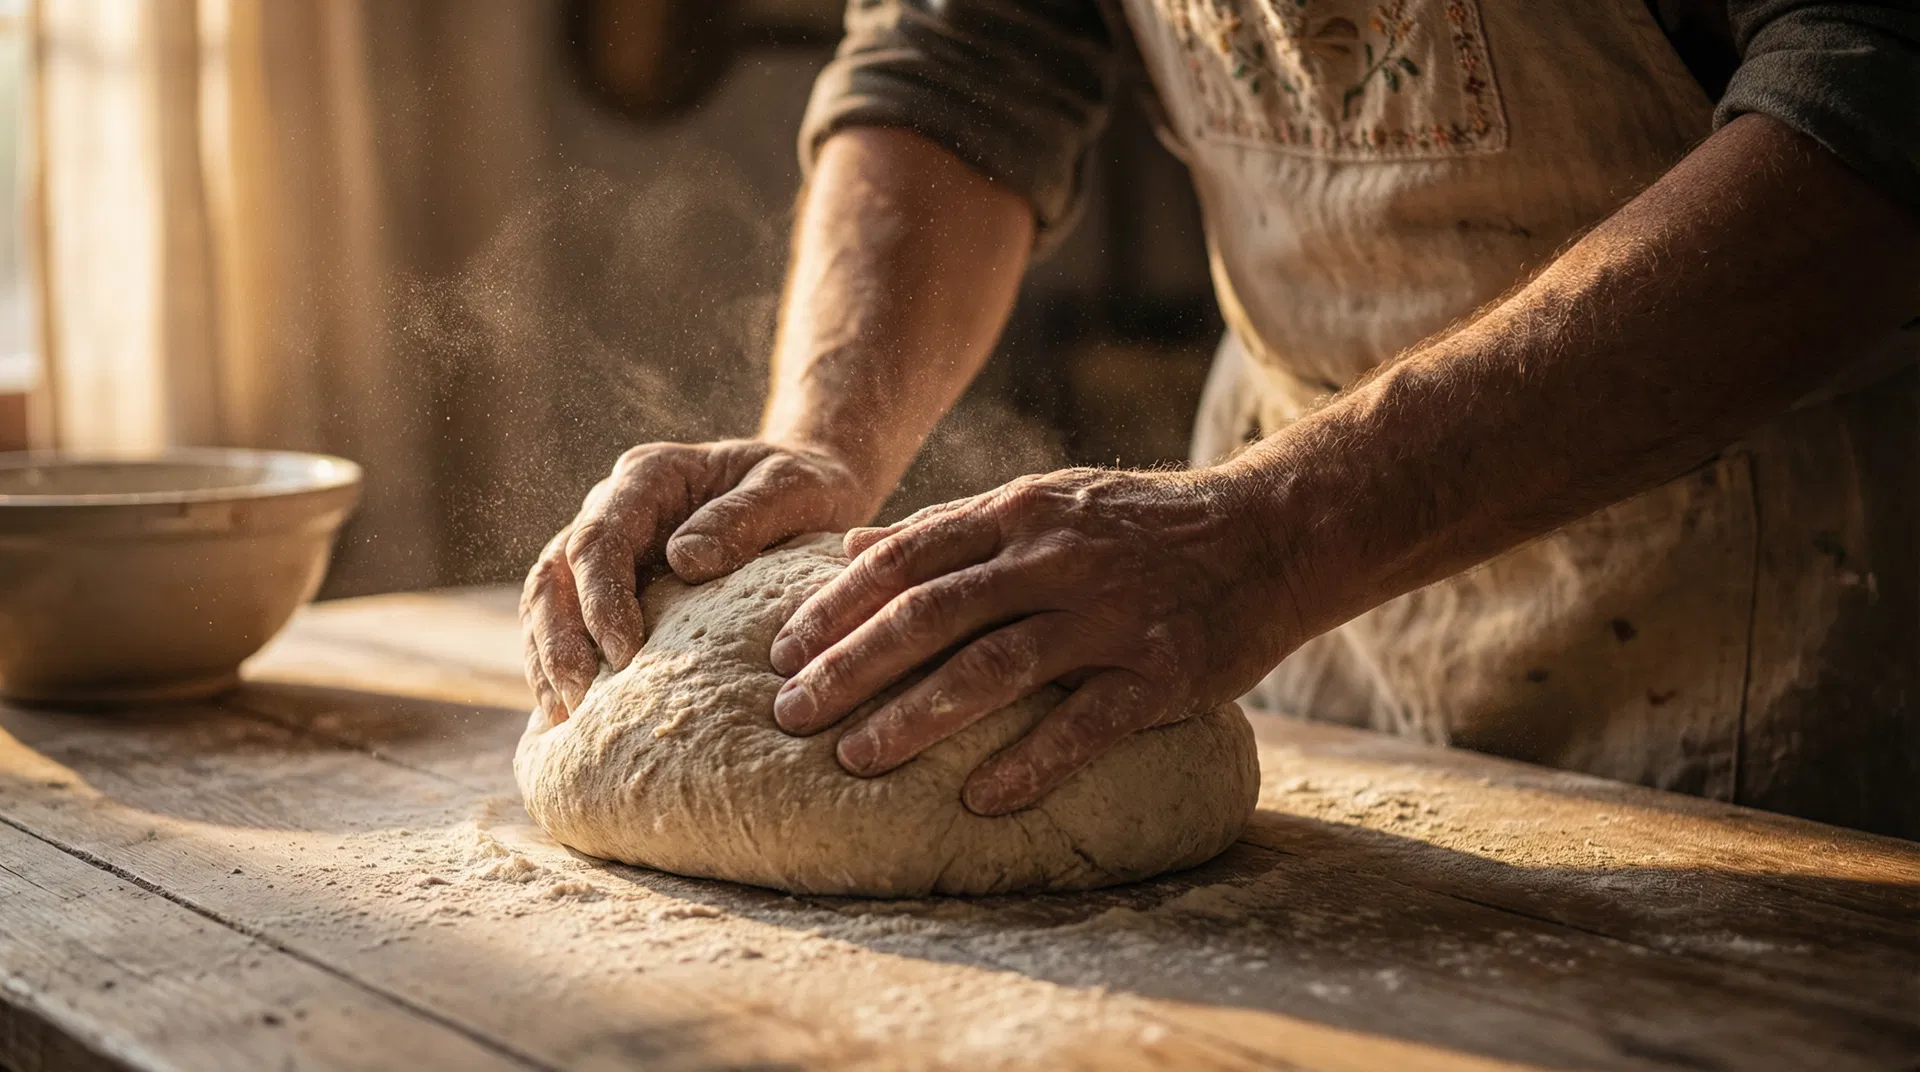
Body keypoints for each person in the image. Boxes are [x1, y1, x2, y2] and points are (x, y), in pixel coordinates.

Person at [522, 0, 1920, 839]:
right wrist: (822, 435)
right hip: (1291, 651)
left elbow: (1878, 106)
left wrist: (1280, 533)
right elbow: (961, 54)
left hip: (1806, 637)